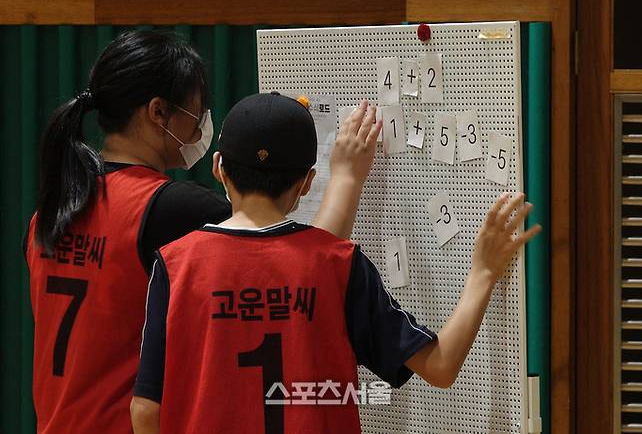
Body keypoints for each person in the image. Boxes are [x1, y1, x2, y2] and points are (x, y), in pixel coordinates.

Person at [23, 31, 378, 433]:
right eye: (197, 106)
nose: (203, 118)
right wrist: (347, 176)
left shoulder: (50, 211)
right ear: (158, 112)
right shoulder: (168, 210)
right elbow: (303, 266)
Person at [130, 92, 542, 433]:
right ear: (307, 181)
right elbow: (440, 365)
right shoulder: (339, 264)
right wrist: (484, 271)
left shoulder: (175, 263)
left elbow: (146, 410)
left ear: (219, 168)